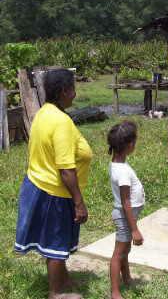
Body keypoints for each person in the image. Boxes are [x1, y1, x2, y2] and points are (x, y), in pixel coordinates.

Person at [14, 69, 93, 299]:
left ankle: (63, 279)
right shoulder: (61, 122)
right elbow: (66, 169)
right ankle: (55, 293)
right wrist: (79, 202)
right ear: (63, 91)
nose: (75, 95)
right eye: (72, 90)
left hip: (39, 184)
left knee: (53, 240)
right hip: (55, 191)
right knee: (57, 242)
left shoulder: (44, 112)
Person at [107, 121, 145, 299]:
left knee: (125, 251)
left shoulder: (117, 163)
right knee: (119, 253)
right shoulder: (122, 171)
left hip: (127, 216)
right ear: (130, 145)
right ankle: (115, 292)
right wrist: (135, 229)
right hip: (125, 216)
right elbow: (126, 201)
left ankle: (127, 278)